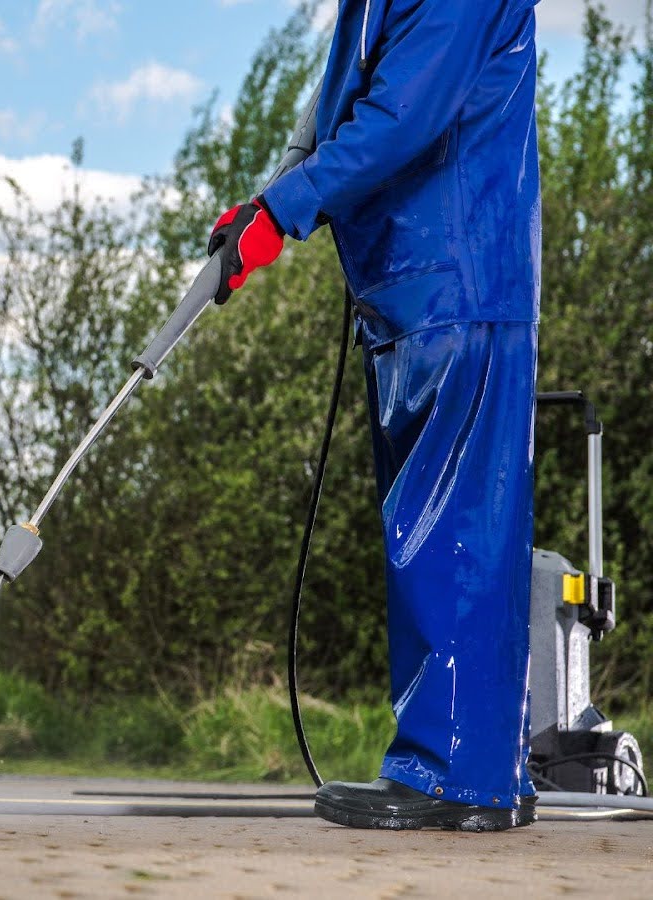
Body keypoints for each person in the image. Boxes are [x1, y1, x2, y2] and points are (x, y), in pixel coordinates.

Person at [207, 0, 542, 831]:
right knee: (433, 530)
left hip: (456, 276)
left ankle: (454, 775)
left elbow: (403, 117)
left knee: (454, 529)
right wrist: (271, 196)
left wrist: (285, 210)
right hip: (413, 288)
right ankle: (481, 771)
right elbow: (342, 109)